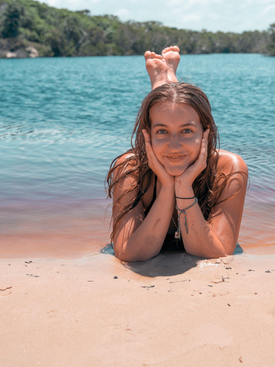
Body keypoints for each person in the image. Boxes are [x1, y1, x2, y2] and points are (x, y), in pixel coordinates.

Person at [106, 46, 248, 261]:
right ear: (148, 136)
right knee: (170, 104)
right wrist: (166, 187)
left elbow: (216, 252)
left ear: (205, 133)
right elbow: (130, 253)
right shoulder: (130, 168)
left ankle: (164, 80)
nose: (174, 146)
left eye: (187, 131)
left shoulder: (228, 168)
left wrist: (183, 187)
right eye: (161, 131)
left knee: (171, 105)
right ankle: (164, 79)